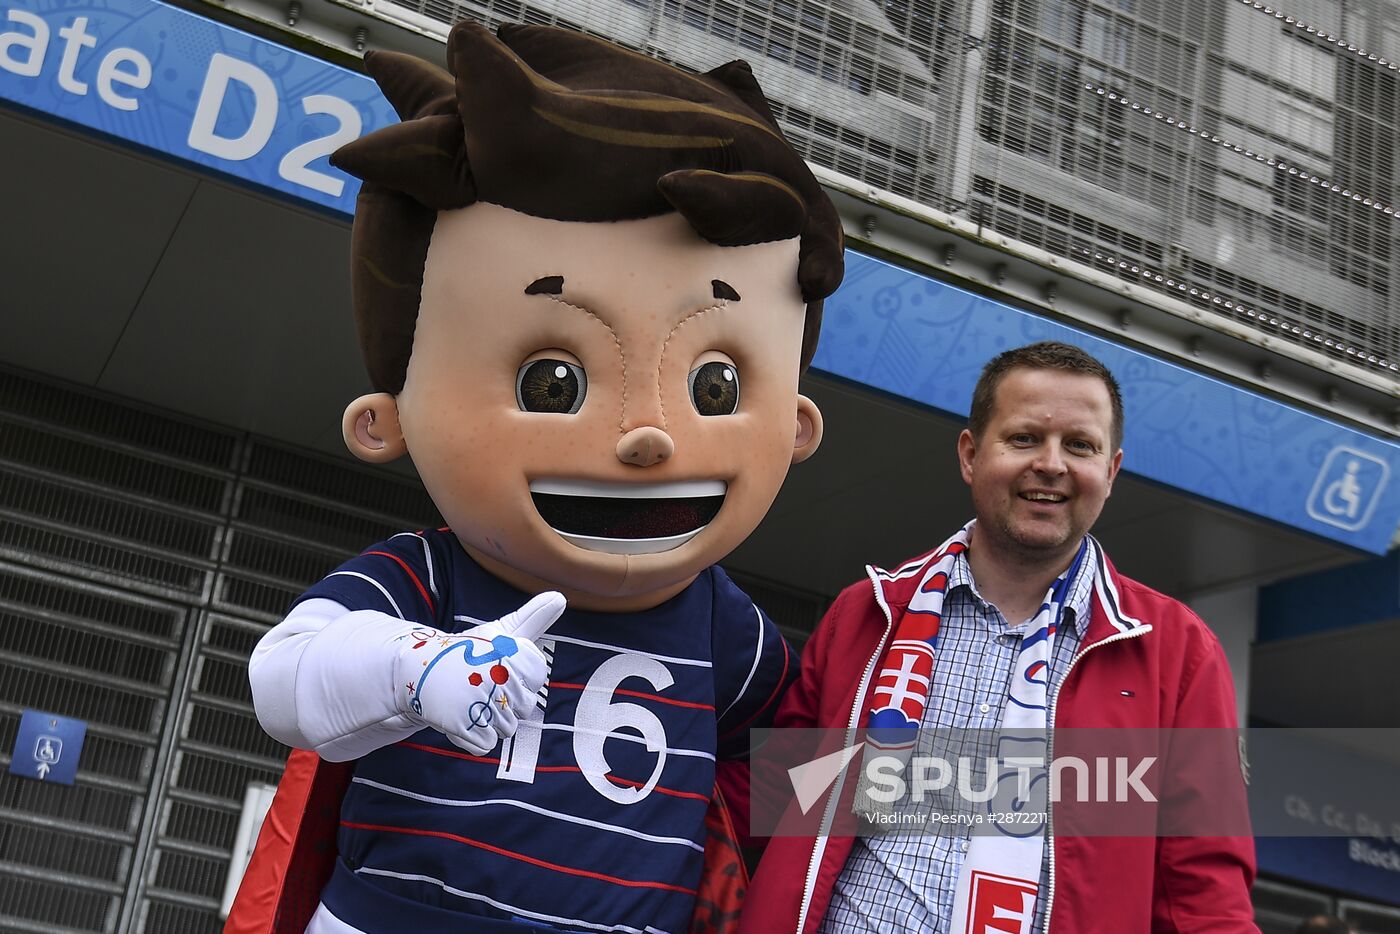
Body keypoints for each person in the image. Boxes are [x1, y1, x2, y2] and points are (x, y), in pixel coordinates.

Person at [227, 20, 845, 934]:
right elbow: (284, 678)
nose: (646, 437)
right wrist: (417, 667)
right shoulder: (432, 577)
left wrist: (1044, 799)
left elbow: (798, 782)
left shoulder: (724, 629)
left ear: (796, 427)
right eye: (552, 382)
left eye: (715, 387)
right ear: (385, 420)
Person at [739, 341, 1258, 933]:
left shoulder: (1178, 653)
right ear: (969, 455)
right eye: (1024, 438)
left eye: (1081, 446)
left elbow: (1203, 895)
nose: (1052, 464)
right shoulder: (870, 613)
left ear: (1111, 472)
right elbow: (775, 807)